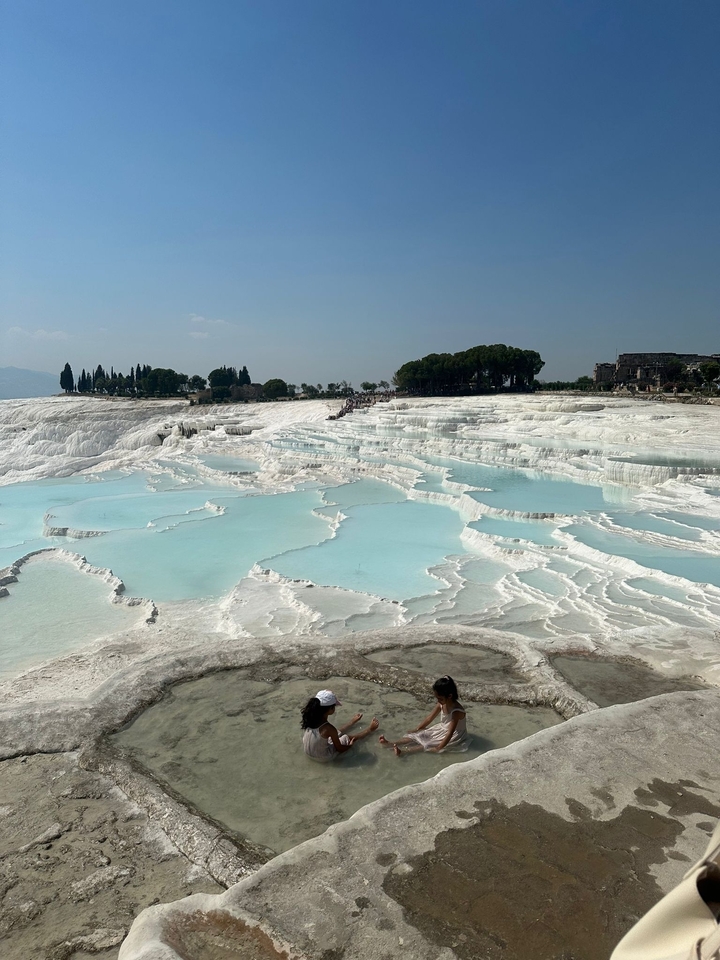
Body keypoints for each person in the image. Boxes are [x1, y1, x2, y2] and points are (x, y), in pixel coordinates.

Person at [379, 676, 467, 757]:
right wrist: (418, 729)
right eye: (437, 698)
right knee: (419, 735)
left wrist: (439, 748)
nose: (438, 701)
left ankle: (404, 752)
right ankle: (392, 743)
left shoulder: (456, 711)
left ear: (450, 696)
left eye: (440, 698)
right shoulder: (441, 703)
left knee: (428, 744)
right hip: (441, 729)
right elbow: (429, 718)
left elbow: (450, 732)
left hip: (453, 735)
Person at [301, 689, 379, 763]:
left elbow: (332, 732)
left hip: (309, 753)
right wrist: (350, 746)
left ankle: (352, 722)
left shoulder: (310, 719)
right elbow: (340, 749)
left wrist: (351, 722)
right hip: (323, 757)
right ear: (330, 709)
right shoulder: (328, 728)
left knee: (334, 733)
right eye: (334, 706)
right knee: (347, 737)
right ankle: (370, 730)